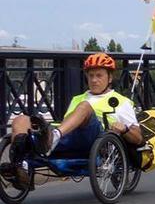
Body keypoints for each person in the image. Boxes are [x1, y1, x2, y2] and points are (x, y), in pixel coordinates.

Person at [7, 53, 142, 189]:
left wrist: (124, 129)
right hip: (68, 138)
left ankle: (52, 138)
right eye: (91, 76)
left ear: (110, 78)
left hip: (96, 139)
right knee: (21, 120)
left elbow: (138, 138)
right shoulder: (77, 98)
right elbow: (67, 122)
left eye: (99, 75)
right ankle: (20, 165)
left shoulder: (121, 102)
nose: (94, 80)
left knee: (85, 107)